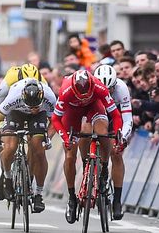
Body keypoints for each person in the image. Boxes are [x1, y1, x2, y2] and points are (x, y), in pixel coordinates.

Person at [51, 70, 123, 224]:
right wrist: (65, 138)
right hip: (72, 112)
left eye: (86, 93)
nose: (83, 97)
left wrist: (116, 136)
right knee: (70, 155)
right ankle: (72, 198)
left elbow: (116, 115)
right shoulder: (65, 91)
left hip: (94, 107)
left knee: (102, 132)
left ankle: (103, 169)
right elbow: (55, 119)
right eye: (80, 95)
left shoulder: (99, 87)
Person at [0, 78, 57, 213]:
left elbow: (55, 121)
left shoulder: (49, 97)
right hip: (16, 113)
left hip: (39, 117)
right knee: (10, 146)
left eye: (36, 106)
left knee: (38, 147)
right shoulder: (14, 97)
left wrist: (48, 138)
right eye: (30, 106)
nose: (32, 110)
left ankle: (38, 194)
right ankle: (7, 178)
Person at [0, 63, 47, 200]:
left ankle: (29, 181)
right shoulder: (9, 83)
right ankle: (6, 175)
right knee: (10, 145)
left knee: (36, 143)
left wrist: (46, 138)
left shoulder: (44, 86)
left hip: (37, 110)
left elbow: (54, 118)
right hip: (13, 108)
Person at [93, 65, 133, 220]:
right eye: (104, 89)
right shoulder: (91, 88)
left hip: (114, 117)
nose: (107, 93)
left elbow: (127, 118)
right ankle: (94, 172)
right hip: (96, 113)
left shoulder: (121, 88)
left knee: (116, 153)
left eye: (110, 89)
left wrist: (122, 137)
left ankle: (117, 200)